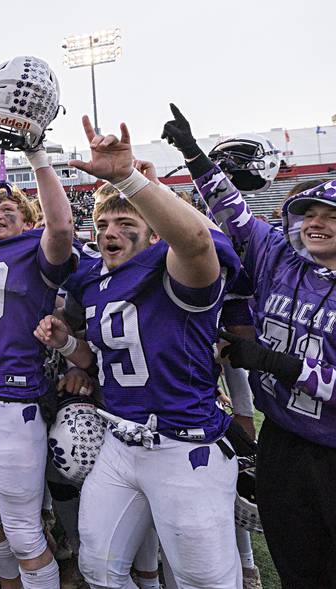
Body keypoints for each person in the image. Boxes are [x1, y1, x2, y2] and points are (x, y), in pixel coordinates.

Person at [35, 115, 243, 588]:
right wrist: (65, 343)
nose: (109, 230)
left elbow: (193, 241)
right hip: (120, 441)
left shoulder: (172, 270)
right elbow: (105, 364)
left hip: (184, 444)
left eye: (125, 221)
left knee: (204, 581)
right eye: (103, 222)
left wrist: (128, 180)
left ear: (153, 235)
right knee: (98, 568)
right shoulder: (96, 282)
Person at [163, 104, 336, 587]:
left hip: (332, 449)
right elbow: (231, 212)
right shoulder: (280, 255)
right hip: (283, 439)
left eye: (330, 216)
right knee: (294, 562)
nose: (316, 223)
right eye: (309, 213)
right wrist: (194, 154)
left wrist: (280, 363)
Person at [0, 138, 74, 589]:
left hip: (15, 405)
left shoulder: (34, 249)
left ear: (29, 221)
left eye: (10, 210)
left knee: (24, 529)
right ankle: (10, 583)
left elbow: (61, 229)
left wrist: (36, 156)